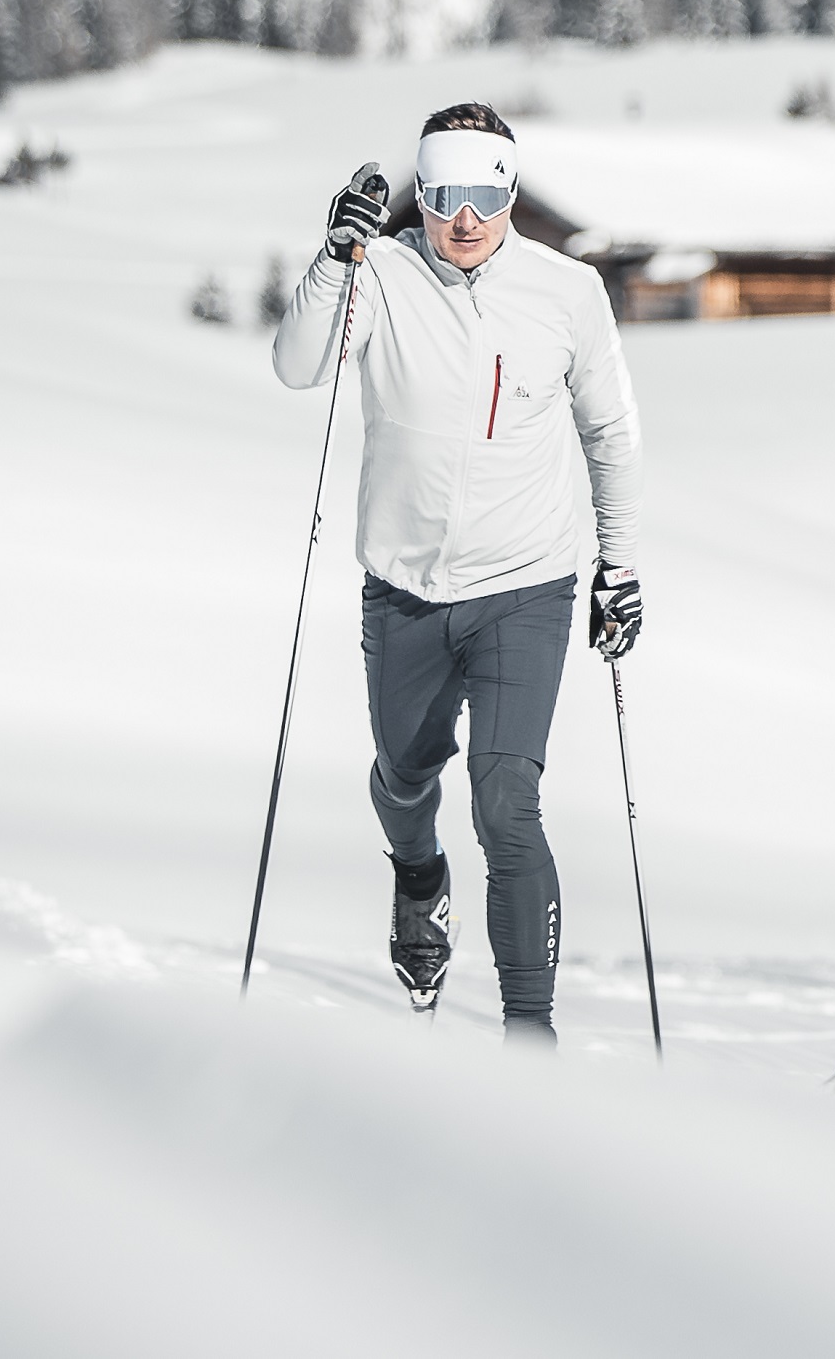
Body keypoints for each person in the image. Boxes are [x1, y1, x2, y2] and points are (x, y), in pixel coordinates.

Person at [275, 104, 644, 1036]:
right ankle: (418, 876)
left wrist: (620, 565)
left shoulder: (567, 292)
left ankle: (531, 1030)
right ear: (425, 196)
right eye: (445, 196)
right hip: (403, 589)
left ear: (510, 190)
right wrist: (333, 259)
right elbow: (297, 366)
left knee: (507, 801)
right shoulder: (382, 273)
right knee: (404, 776)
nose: (465, 218)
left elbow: (610, 432)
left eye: (484, 194)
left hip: (526, 586)